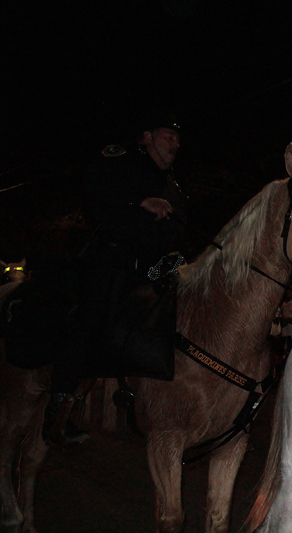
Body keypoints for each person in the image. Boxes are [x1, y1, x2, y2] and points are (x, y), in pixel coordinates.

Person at [44, 109, 187, 445]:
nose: (176, 144)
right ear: (147, 136)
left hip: (149, 268)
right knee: (92, 319)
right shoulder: (119, 159)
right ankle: (58, 408)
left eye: (178, 139)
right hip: (109, 261)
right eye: (170, 136)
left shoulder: (172, 183)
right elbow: (95, 190)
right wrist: (138, 201)